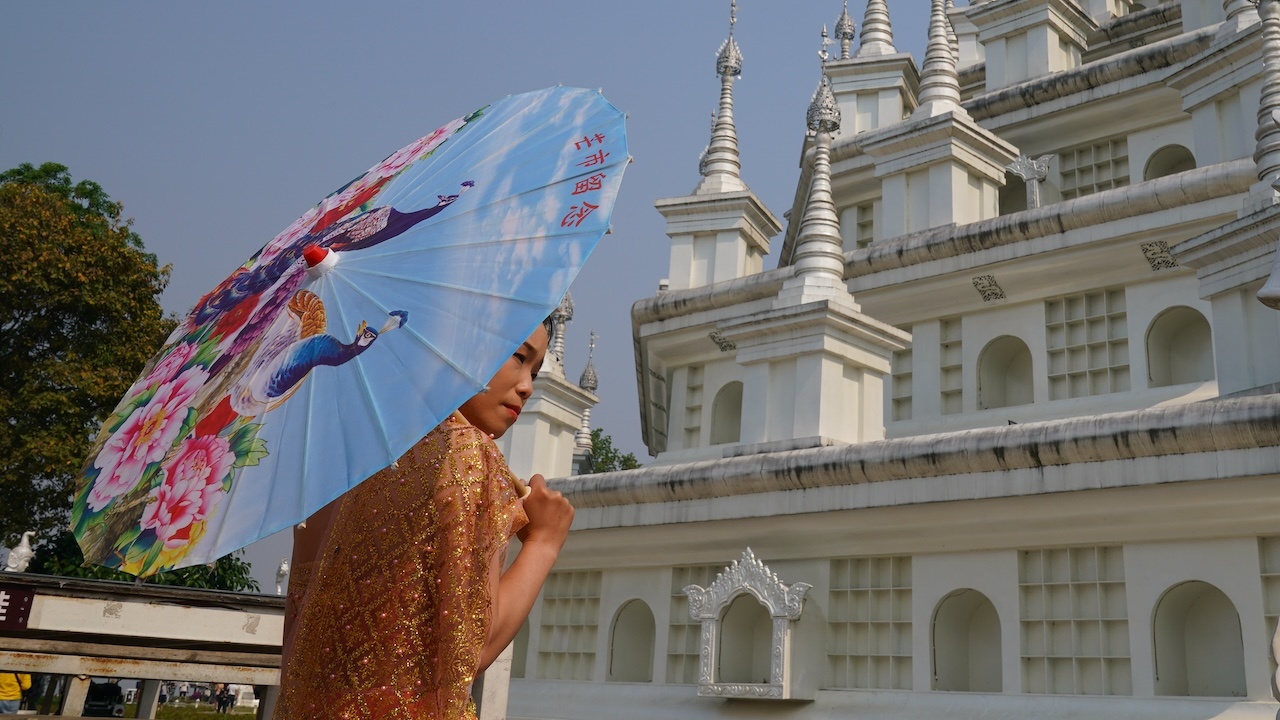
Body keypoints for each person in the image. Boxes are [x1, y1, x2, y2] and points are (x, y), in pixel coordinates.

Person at [278, 319, 573, 719]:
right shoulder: (468, 454)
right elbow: (471, 648)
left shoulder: (342, 451)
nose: (527, 387)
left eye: (534, 372)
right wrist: (544, 543)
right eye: (518, 357)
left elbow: (298, 631)